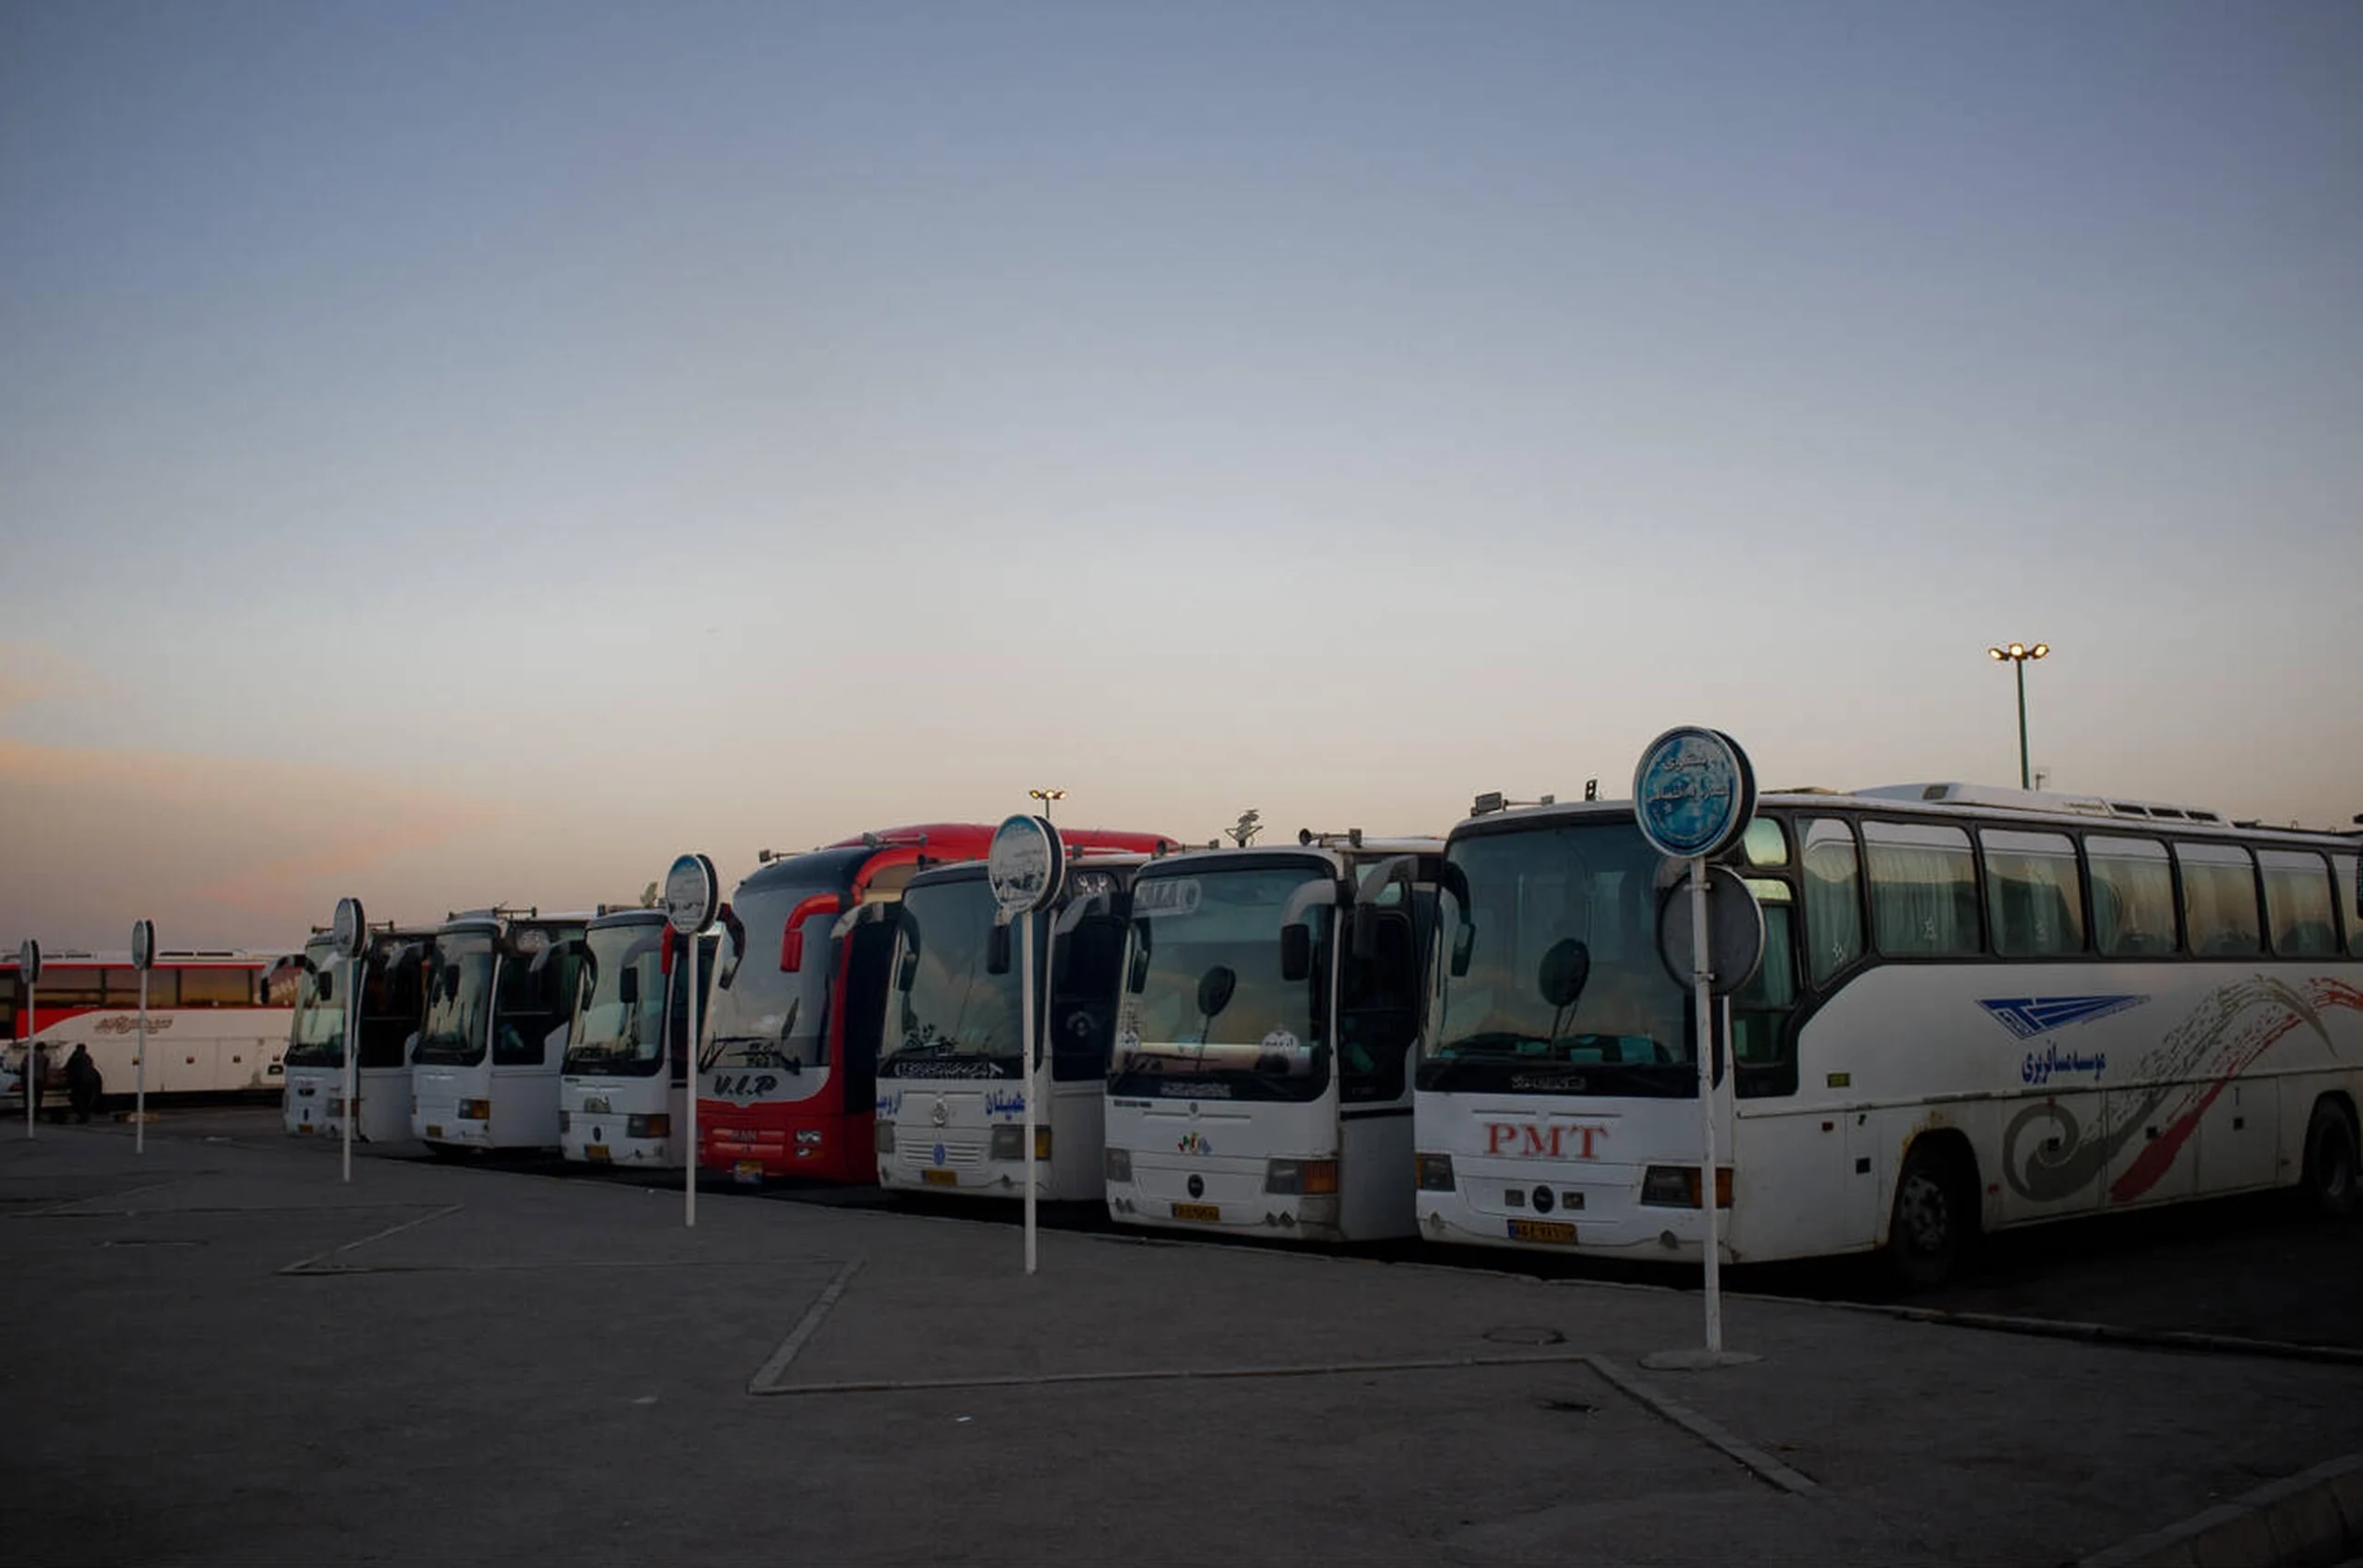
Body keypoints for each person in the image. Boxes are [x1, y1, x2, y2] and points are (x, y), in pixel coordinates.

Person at [66, 1043, 103, 1123]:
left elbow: (68, 1067)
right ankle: (85, 1116)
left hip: (80, 1082)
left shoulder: (75, 1057)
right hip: (90, 1082)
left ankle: (83, 1116)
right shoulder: (88, 1057)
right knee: (86, 1100)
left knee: (79, 1100)